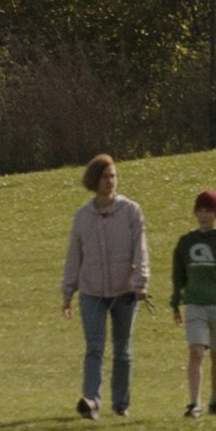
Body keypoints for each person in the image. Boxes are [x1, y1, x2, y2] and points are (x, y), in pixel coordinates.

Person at [60, 152, 149, 417]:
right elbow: (74, 256)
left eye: (113, 176)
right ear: (94, 181)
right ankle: (91, 401)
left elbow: (140, 249)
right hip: (92, 293)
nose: (109, 181)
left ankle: (121, 404)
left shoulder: (131, 211)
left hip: (125, 292)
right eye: (104, 177)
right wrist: (68, 292)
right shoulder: (82, 217)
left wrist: (141, 282)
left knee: (122, 350)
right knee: (94, 348)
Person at [172, 185, 216, 416]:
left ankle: (214, 399)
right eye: (200, 210)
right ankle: (195, 403)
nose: (204, 215)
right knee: (195, 352)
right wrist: (176, 302)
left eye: (209, 210)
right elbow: (178, 275)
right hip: (194, 304)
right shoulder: (185, 243)